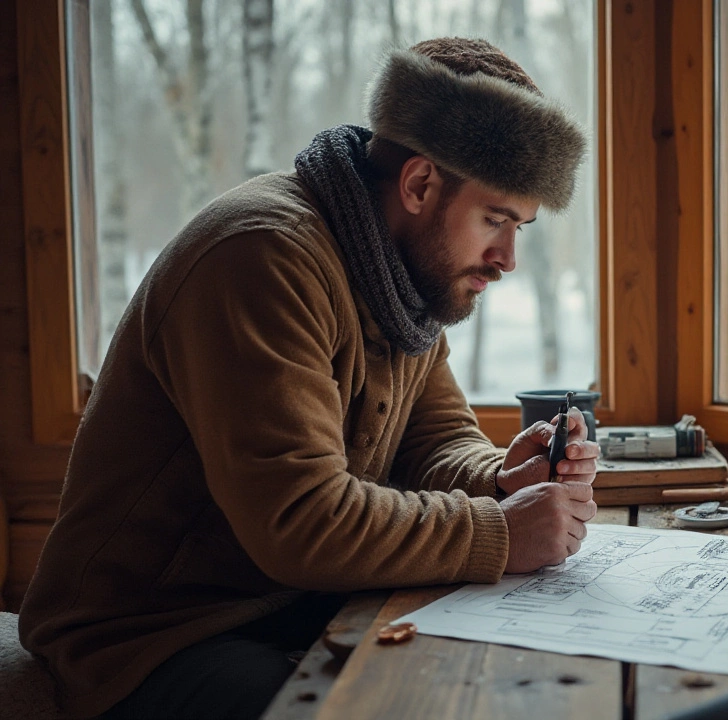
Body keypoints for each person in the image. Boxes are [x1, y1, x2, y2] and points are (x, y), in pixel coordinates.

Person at [20, 38, 597, 719]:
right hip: (150, 637)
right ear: (418, 185)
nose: (506, 258)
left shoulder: (401, 271)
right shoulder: (260, 256)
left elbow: (433, 442)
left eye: (519, 227)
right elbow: (303, 522)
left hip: (290, 602)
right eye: (496, 219)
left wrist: (503, 478)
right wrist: (498, 530)